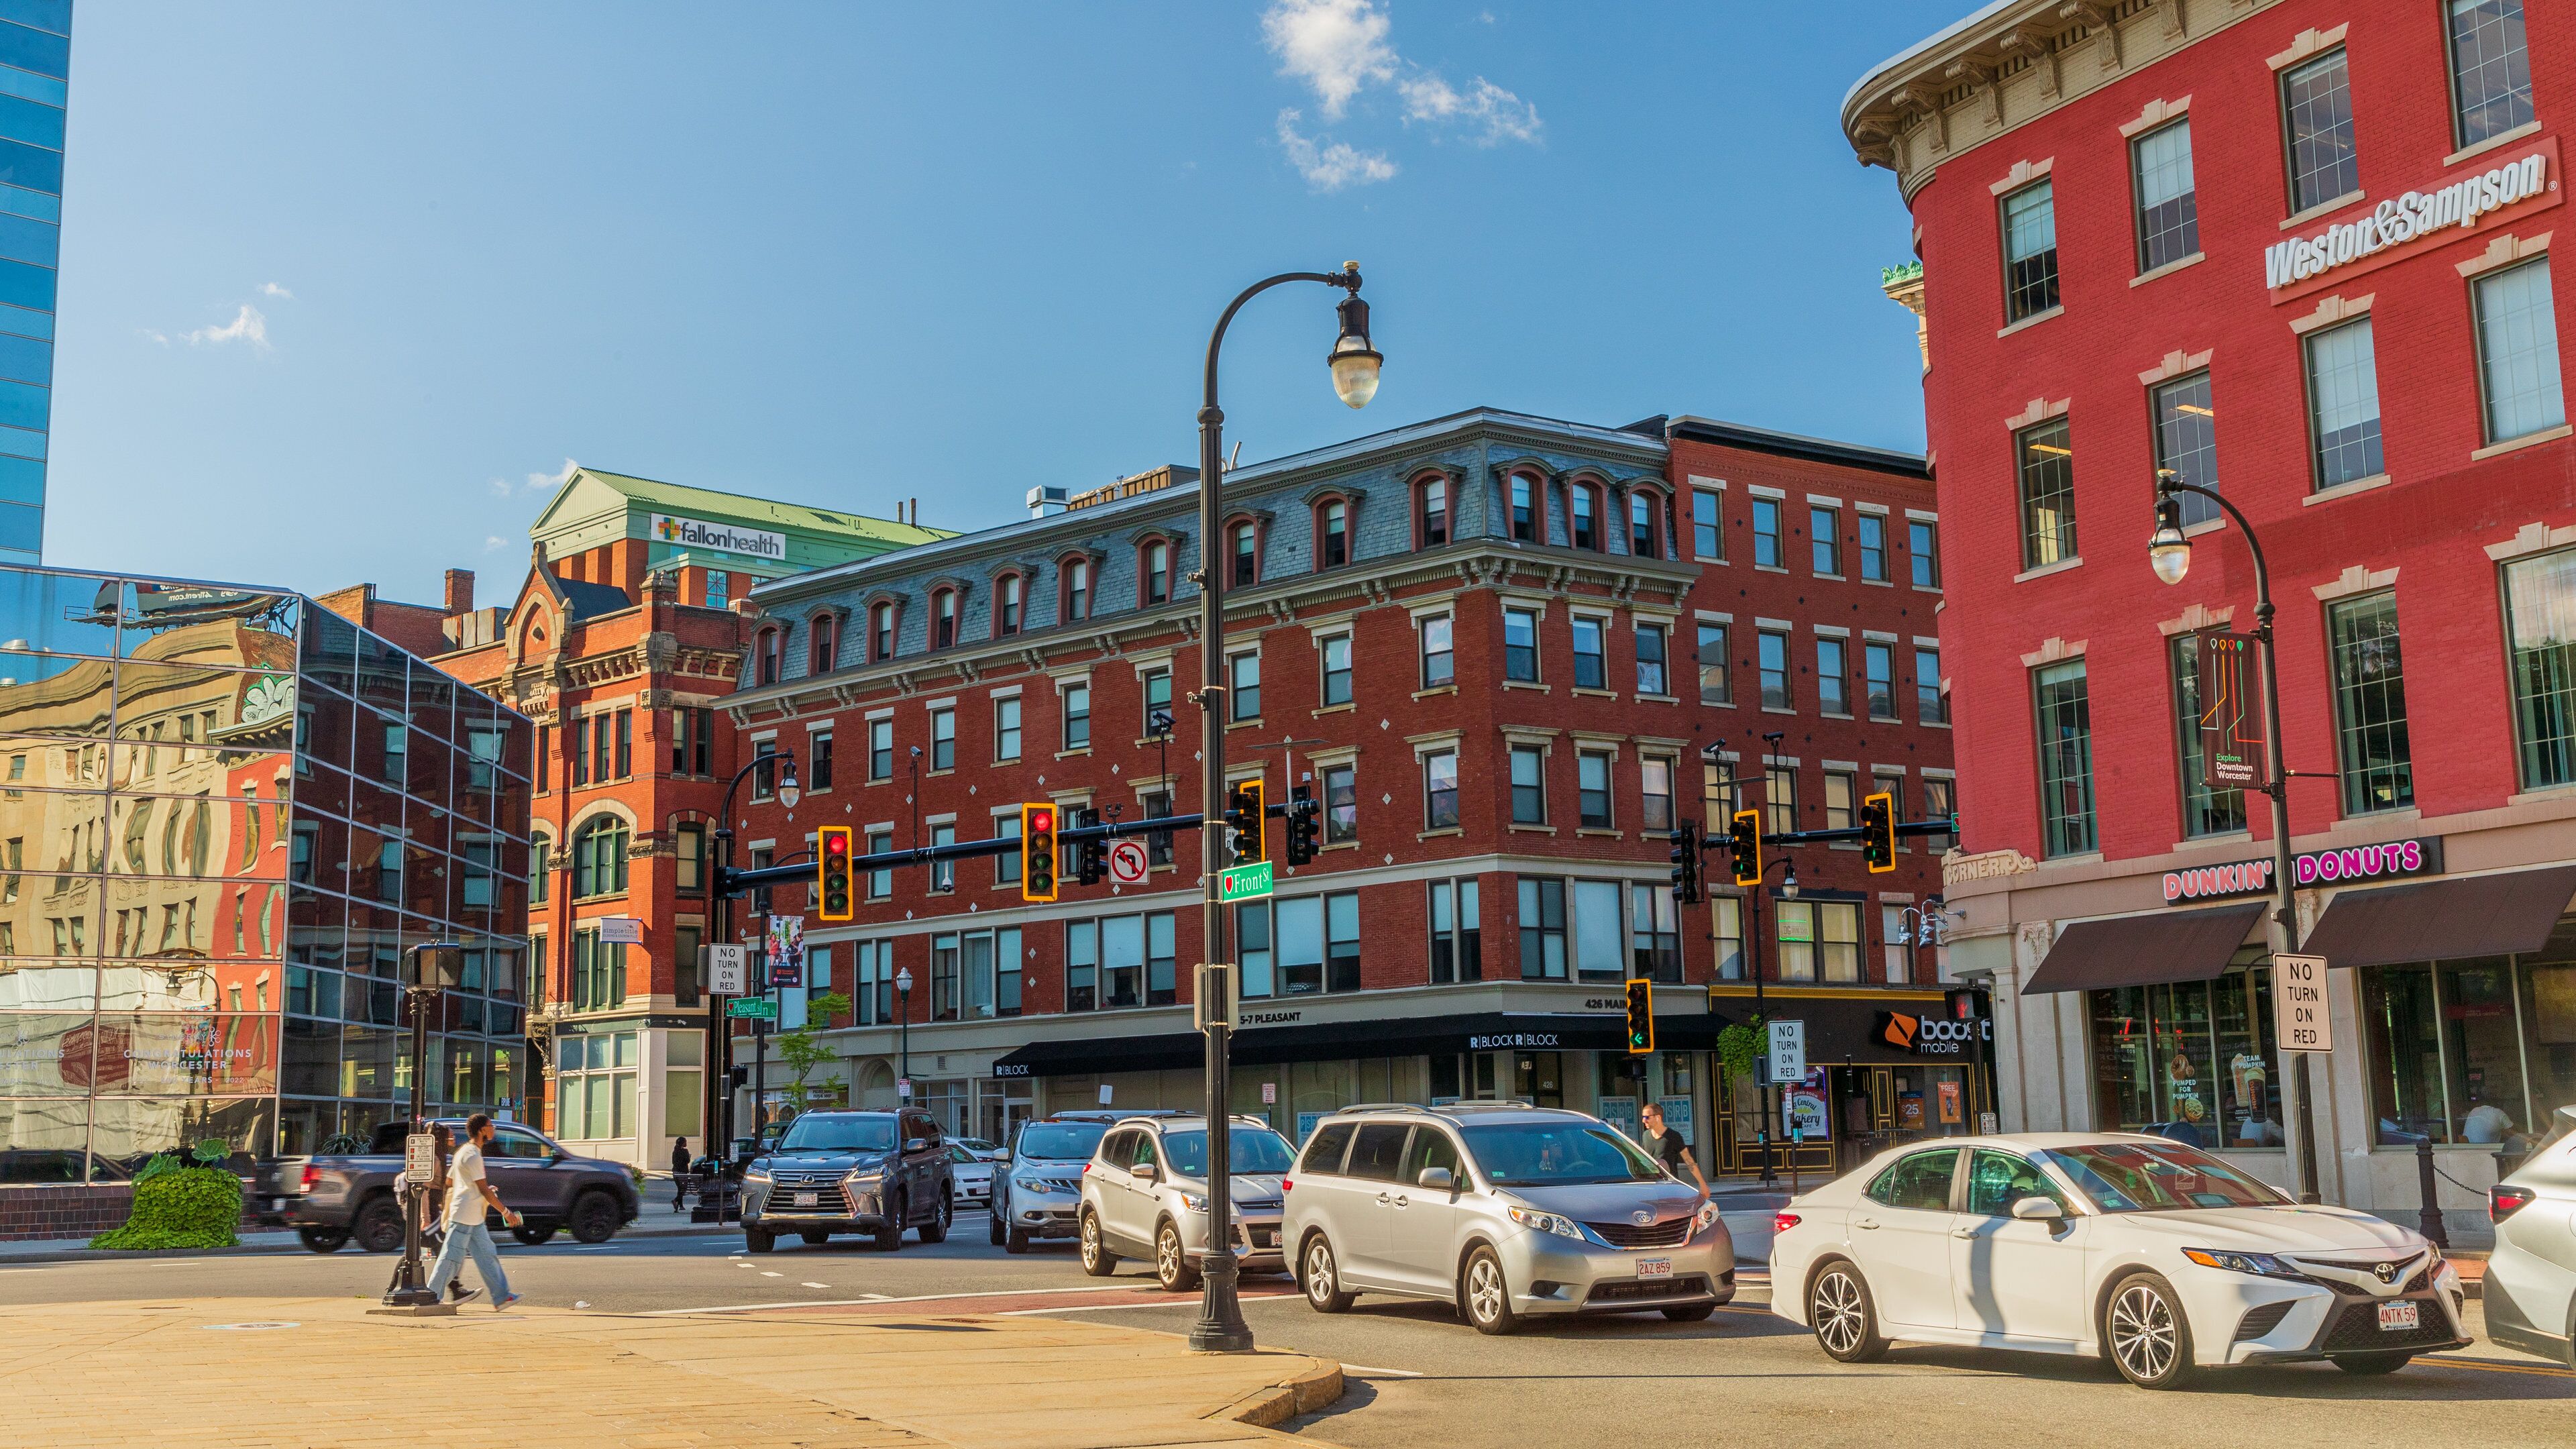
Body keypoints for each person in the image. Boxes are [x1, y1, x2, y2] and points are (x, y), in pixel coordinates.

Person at [427, 1114, 523, 1311]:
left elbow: (450, 1181)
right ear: (482, 1130)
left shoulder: (463, 1151)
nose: (493, 1129)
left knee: (487, 1255)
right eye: (490, 1125)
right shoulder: (473, 1155)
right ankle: (431, 1296)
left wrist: (471, 1188)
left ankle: (502, 1297)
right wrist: (506, 1212)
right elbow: (483, 1189)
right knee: (451, 1258)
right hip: (464, 1215)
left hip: (472, 1216)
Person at [426, 1123, 475, 1304]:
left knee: (445, 1250)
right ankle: (453, 1290)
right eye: (451, 1137)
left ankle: (454, 1290)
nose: (453, 1140)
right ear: (441, 1139)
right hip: (430, 1212)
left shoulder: (441, 1157)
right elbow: (424, 1190)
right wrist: (425, 1218)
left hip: (436, 1210)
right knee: (447, 1250)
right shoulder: (434, 1159)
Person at [1637, 1102, 1707, 1199]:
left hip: (1670, 1188)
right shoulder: (1646, 1136)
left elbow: (1689, 1161)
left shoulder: (1674, 1136)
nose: (1644, 1120)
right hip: (1651, 1189)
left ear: (1658, 1118)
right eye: (1643, 1117)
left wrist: (1702, 1184)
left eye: (1647, 1117)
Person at [670, 1136, 693, 1211]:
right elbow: (687, 1161)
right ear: (683, 1143)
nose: (686, 1143)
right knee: (683, 1189)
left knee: (680, 1189)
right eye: (685, 1142)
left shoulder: (675, 1151)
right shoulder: (685, 1151)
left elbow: (674, 1162)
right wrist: (689, 1157)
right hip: (683, 1173)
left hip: (675, 1173)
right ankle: (675, 1200)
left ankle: (680, 1206)